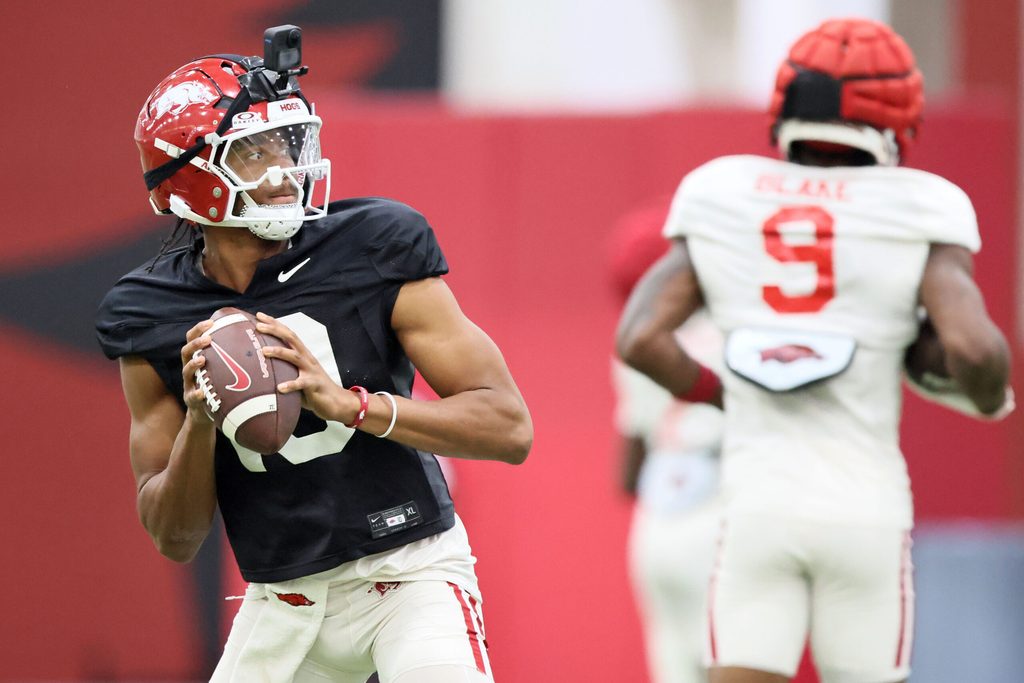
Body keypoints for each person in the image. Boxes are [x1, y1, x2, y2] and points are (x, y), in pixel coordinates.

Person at [95, 27, 532, 683]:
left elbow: (509, 426)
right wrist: (200, 419)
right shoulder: (147, 312)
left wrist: (350, 404)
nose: (286, 166)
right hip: (283, 602)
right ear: (191, 176)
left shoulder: (375, 242)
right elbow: (174, 535)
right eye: (255, 151)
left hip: (409, 574)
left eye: (289, 141)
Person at [616, 17, 1012, 683]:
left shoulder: (722, 190)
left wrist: (722, 392)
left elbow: (640, 337)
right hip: (865, 512)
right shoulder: (922, 205)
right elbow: (974, 347)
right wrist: (981, 392)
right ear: (896, 116)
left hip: (756, 507)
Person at [607, 201, 725, 683]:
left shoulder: (631, 342)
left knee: (674, 661)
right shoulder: (733, 328)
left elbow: (628, 473)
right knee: (731, 656)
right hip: (725, 501)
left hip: (660, 516)